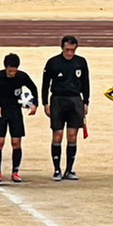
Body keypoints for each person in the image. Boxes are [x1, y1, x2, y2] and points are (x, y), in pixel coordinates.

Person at [42, 35, 90, 181]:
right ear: (62, 47)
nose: (69, 53)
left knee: (72, 135)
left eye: (72, 50)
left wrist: (86, 102)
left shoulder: (81, 62)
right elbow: (45, 84)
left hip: (75, 100)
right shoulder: (53, 63)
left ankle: (70, 170)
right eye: (67, 50)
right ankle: (57, 169)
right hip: (57, 100)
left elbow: (86, 82)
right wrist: (45, 103)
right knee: (57, 135)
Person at [0, 53, 39, 182]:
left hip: (15, 112)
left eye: (14, 71)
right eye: (10, 71)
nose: (12, 73)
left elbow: (33, 88)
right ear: (6, 67)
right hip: (1, 112)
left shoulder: (22, 76)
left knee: (16, 143)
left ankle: (15, 171)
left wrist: (35, 104)